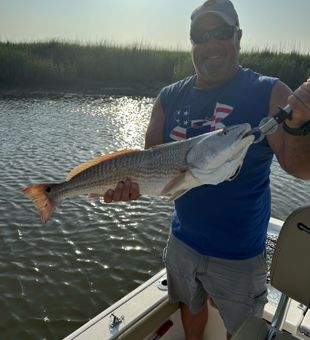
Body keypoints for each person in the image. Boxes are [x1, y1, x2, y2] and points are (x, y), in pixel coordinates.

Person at [103, 0, 310, 339]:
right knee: (190, 307)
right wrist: (125, 189)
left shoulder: (269, 91)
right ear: (192, 43)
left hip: (240, 254)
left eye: (221, 33)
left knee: (238, 328)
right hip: (182, 242)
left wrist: (301, 123)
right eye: (200, 36)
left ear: (238, 36)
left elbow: (300, 168)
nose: (211, 44)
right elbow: (147, 166)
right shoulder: (168, 97)